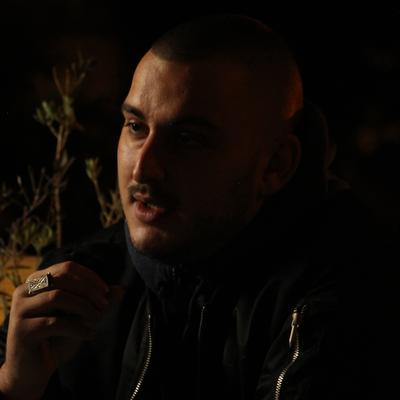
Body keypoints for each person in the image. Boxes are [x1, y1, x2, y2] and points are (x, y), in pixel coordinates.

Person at [0, 14, 396, 400]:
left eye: (188, 138)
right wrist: (17, 386)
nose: (144, 168)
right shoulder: (79, 277)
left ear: (275, 165)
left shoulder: (345, 295)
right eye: (136, 127)